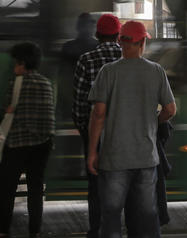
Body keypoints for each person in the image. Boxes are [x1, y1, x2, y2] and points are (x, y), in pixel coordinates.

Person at [87, 21, 176, 238]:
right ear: (142, 43)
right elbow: (170, 109)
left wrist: (92, 152)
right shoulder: (156, 71)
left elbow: (98, 113)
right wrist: (155, 122)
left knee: (111, 214)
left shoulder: (107, 72)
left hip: (114, 158)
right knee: (146, 215)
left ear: (121, 43)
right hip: (146, 158)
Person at [0, 42, 55, 238]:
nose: (13, 67)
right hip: (41, 144)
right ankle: (34, 231)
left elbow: (7, 107)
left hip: (17, 144)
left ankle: (4, 230)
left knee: (8, 188)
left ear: (22, 63)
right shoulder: (46, 83)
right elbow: (48, 116)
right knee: (35, 190)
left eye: (15, 63)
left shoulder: (16, 82)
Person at [72, 13, 122, 238]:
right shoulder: (129, 56)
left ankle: (96, 229)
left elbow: (80, 102)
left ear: (97, 35)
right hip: (125, 135)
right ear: (119, 35)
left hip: (96, 135)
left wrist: (86, 131)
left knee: (96, 186)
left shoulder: (86, 59)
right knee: (123, 183)